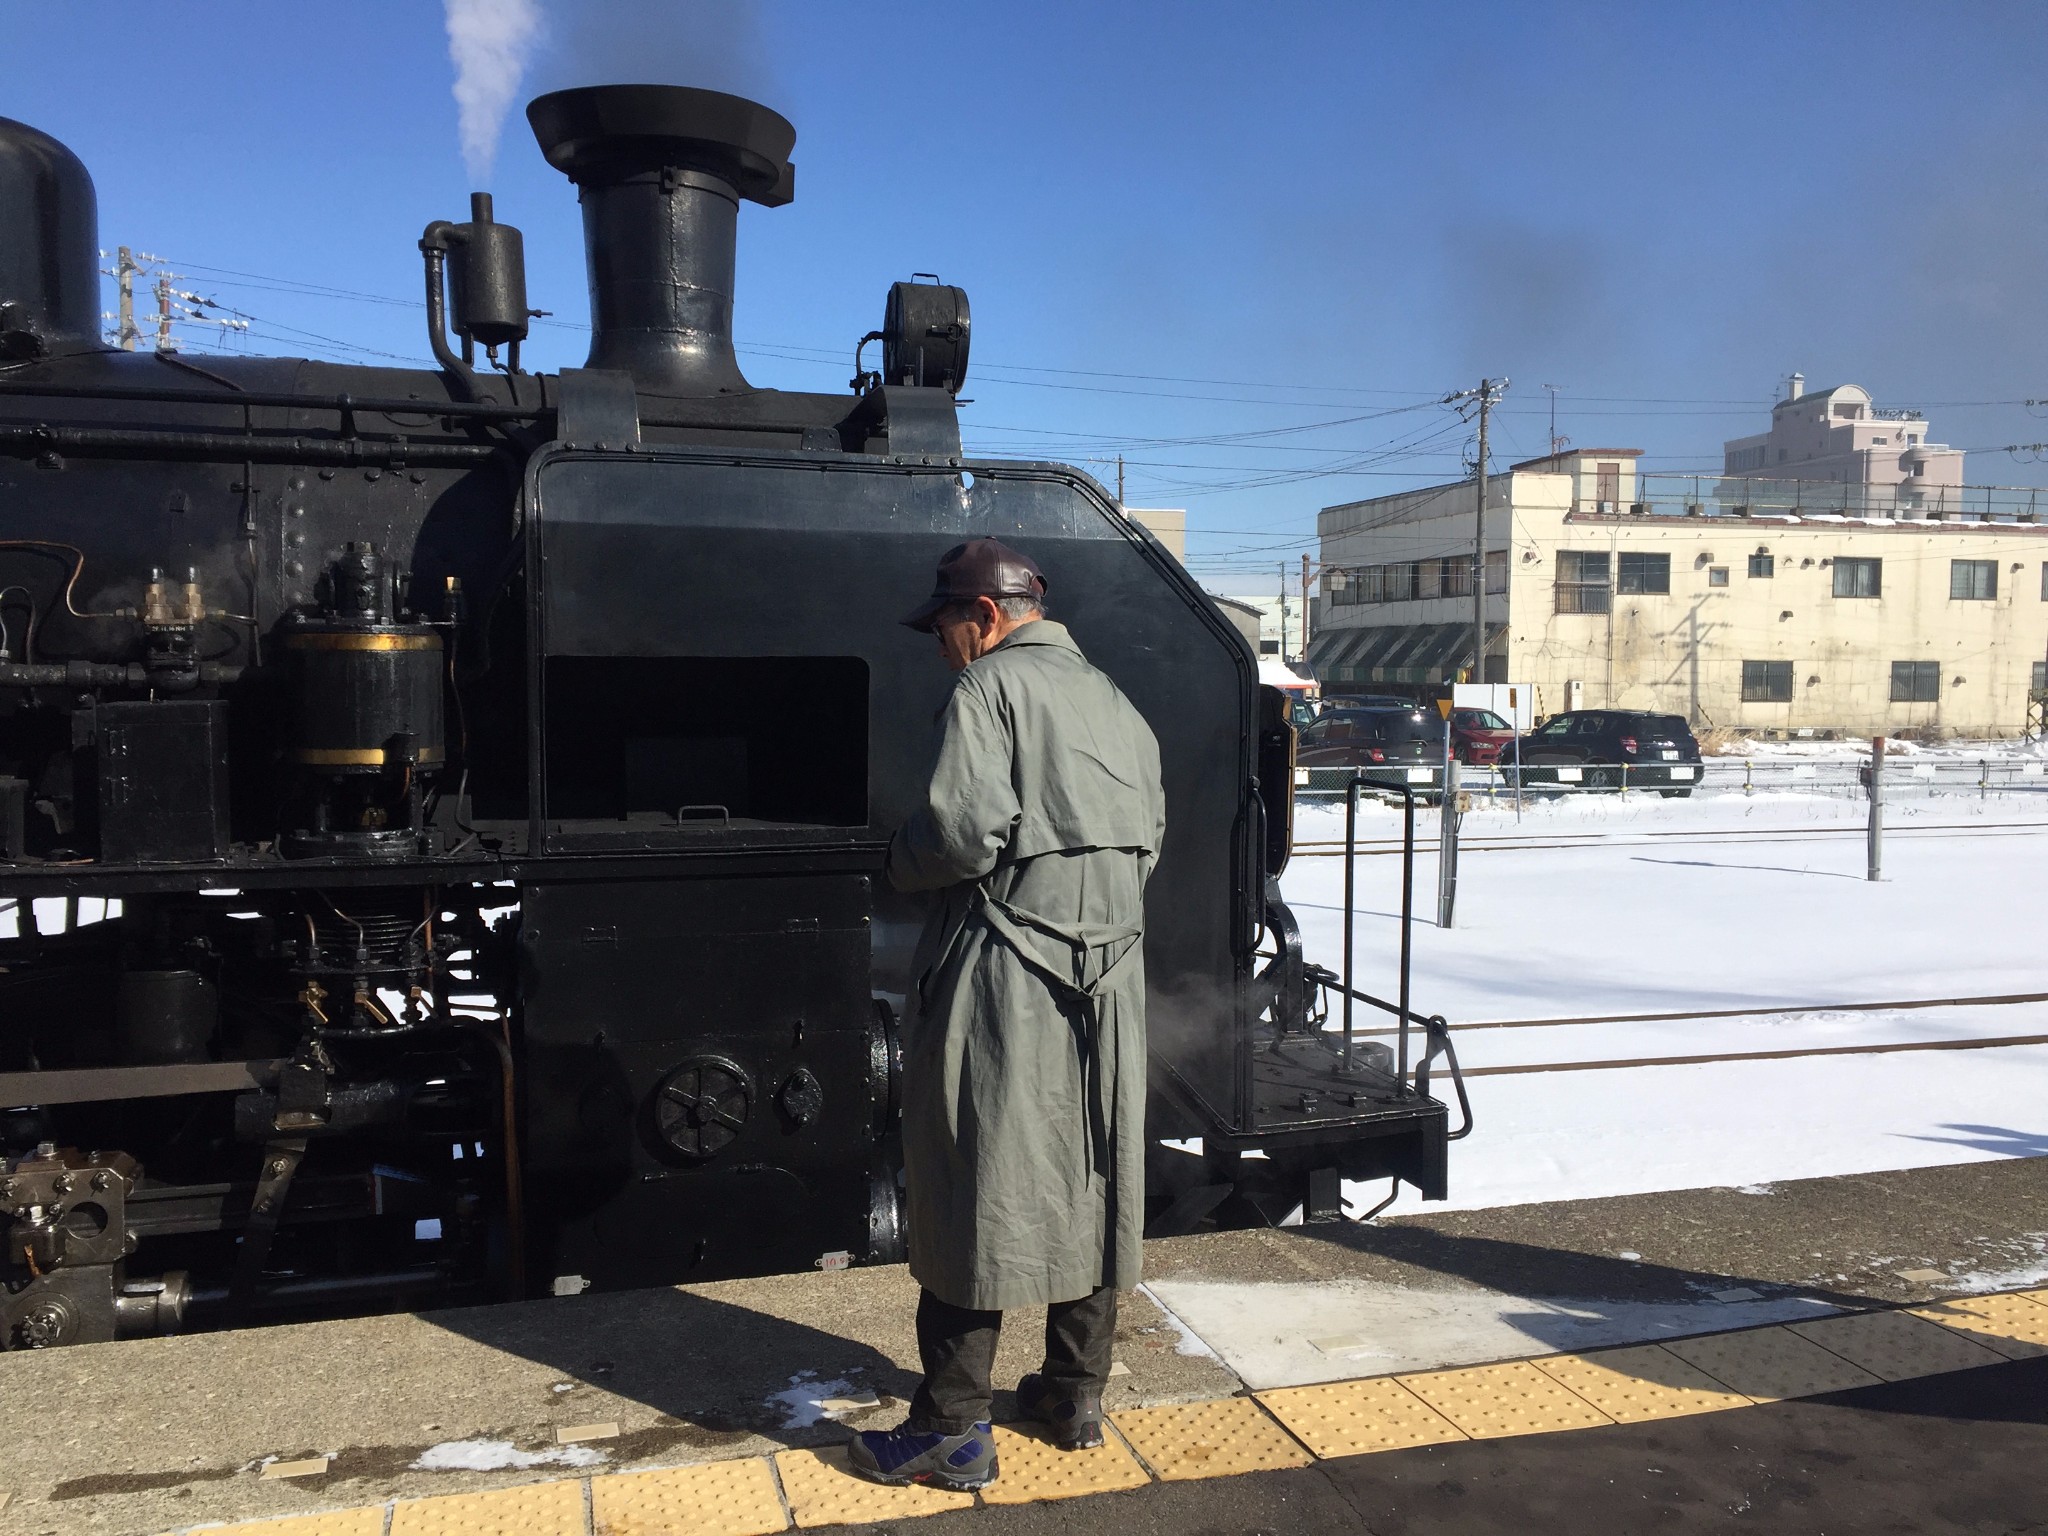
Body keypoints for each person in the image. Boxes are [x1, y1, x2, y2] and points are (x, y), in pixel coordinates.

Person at [848, 537, 1165, 1491]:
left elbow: (957, 832)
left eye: (943, 625)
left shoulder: (988, 691)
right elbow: (1150, 842)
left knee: (968, 1170)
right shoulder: (1117, 702)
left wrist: (892, 861)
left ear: (985, 617)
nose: (940, 644)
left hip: (1004, 971)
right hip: (1112, 976)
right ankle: (1074, 1393)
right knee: (1100, 1166)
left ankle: (950, 1426)